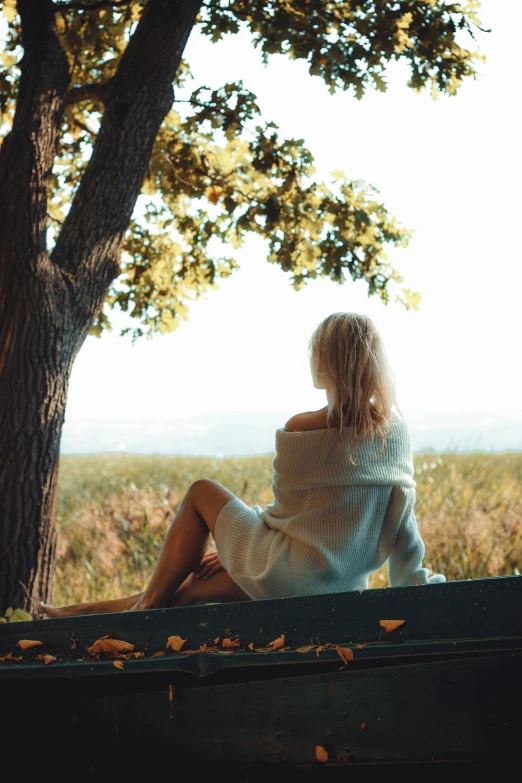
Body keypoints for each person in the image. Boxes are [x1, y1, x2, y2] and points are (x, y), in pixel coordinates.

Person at [39, 312, 444, 618]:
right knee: (196, 589)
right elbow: (403, 532)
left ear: (325, 363)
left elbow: (286, 516)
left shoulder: (301, 428)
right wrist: (420, 585)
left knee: (201, 490)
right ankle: (87, 612)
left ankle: (144, 605)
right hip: (339, 587)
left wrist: (238, 538)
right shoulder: (397, 435)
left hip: (287, 573)